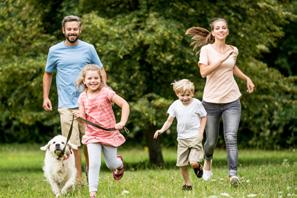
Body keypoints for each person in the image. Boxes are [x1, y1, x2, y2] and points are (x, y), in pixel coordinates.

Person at [186, 18, 255, 186]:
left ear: (228, 31)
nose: (221, 30)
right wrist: (222, 59)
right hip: (210, 102)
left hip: (232, 100)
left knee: (231, 137)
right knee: (210, 141)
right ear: (213, 32)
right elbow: (203, 72)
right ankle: (208, 160)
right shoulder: (206, 50)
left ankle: (233, 174)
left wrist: (246, 78)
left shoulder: (233, 50)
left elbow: (232, 67)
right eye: (218, 28)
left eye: (224, 27)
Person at [42, 15, 107, 185]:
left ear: (80, 29)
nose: (72, 32)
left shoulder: (89, 49)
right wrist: (46, 97)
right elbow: (48, 74)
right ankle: (77, 179)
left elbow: (100, 71)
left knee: (90, 142)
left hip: (88, 104)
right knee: (72, 144)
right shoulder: (54, 50)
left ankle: (90, 175)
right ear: (63, 30)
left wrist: (104, 93)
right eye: (69, 29)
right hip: (66, 106)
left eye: (75, 29)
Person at [74, 64, 129, 198]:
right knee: (94, 163)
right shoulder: (82, 97)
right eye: (90, 78)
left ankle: (119, 164)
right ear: (84, 81)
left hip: (109, 134)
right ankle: (93, 192)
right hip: (92, 135)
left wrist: (122, 122)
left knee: (111, 164)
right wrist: (79, 117)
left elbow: (124, 104)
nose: (93, 81)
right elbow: (83, 119)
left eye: (96, 78)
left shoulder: (106, 92)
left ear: (101, 79)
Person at [153, 79, 207, 191]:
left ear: (192, 93)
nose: (185, 98)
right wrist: (161, 130)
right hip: (182, 139)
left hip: (195, 137)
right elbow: (169, 121)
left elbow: (204, 117)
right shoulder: (175, 105)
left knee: (192, 162)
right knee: (182, 164)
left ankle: (198, 167)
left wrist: (201, 132)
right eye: (182, 95)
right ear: (177, 94)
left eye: (188, 95)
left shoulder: (197, 103)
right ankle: (187, 184)